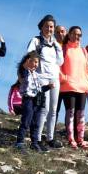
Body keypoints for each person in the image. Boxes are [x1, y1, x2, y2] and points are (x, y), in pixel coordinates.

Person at [26, 14, 64, 149]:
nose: (49, 28)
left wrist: (58, 46)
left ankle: (50, 138)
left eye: (52, 26)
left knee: (53, 110)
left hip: (54, 78)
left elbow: (60, 61)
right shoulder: (36, 41)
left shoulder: (55, 44)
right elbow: (29, 55)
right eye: (47, 26)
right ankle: (36, 139)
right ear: (41, 27)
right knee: (44, 109)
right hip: (41, 79)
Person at [58, 26, 88, 149]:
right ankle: (71, 138)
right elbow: (58, 65)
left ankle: (81, 139)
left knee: (81, 114)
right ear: (70, 34)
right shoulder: (64, 48)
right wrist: (64, 78)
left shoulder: (83, 50)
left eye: (80, 35)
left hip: (82, 86)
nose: (77, 37)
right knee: (70, 112)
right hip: (68, 86)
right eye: (75, 34)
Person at [14, 51, 53, 152]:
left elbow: (39, 89)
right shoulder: (24, 72)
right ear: (28, 61)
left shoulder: (35, 75)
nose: (36, 64)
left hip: (36, 100)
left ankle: (34, 143)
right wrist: (25, 63)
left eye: (37, 62)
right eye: (34, 61)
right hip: (27, 99)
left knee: (35, 122)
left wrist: (48, 87)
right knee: (26, 120)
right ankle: (20, 142)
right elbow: (23, 70)